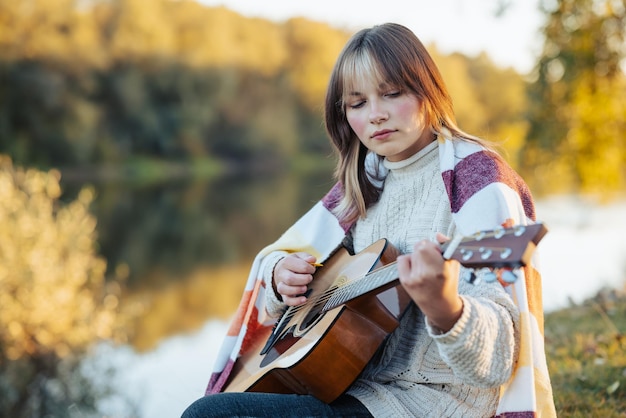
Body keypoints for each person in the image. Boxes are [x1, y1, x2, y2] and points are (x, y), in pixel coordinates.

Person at [183, 23, 555, 418]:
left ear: (427, 90)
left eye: (392, 94)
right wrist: (280, 277)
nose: (376, 115)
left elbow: (500, 360)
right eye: (357, 103)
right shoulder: (365, 180)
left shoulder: (476, 179)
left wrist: (447, 308)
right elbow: (288, 263)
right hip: (350, 385)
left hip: (430, 404)